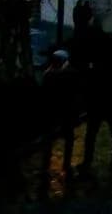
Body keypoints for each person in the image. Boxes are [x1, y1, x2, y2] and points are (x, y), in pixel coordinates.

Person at [77, 23, 112, 174]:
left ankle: (88, 161)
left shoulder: (93, 52)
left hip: (100, 97)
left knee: (93, 132)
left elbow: (88, 75)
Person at [39, 49, 80, 177]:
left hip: (51, 111)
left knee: (48, 139)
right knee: (68, 138)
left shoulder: (48, 75)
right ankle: (66, 164)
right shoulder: (70, 74)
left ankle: (45, 165)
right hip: (66, 111)